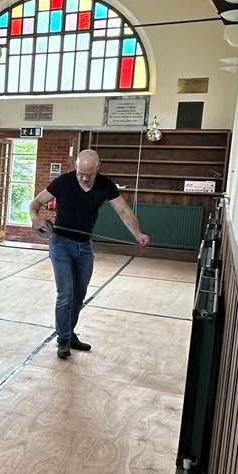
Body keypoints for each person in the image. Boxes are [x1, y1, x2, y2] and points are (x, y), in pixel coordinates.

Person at [30, 148, 150, 359]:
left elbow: (123, 211)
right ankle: (63, 340)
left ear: (98, 168)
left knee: (79, 295)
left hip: (84, 247)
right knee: (65, 294)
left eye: (89, 174)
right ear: (75, 167)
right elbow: (36, 203)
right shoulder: (63, 182)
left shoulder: (106, 185)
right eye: (80, 173)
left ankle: (70, 333)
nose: (84, 178)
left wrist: (137, 233)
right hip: (60, 244)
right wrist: (35, 217)